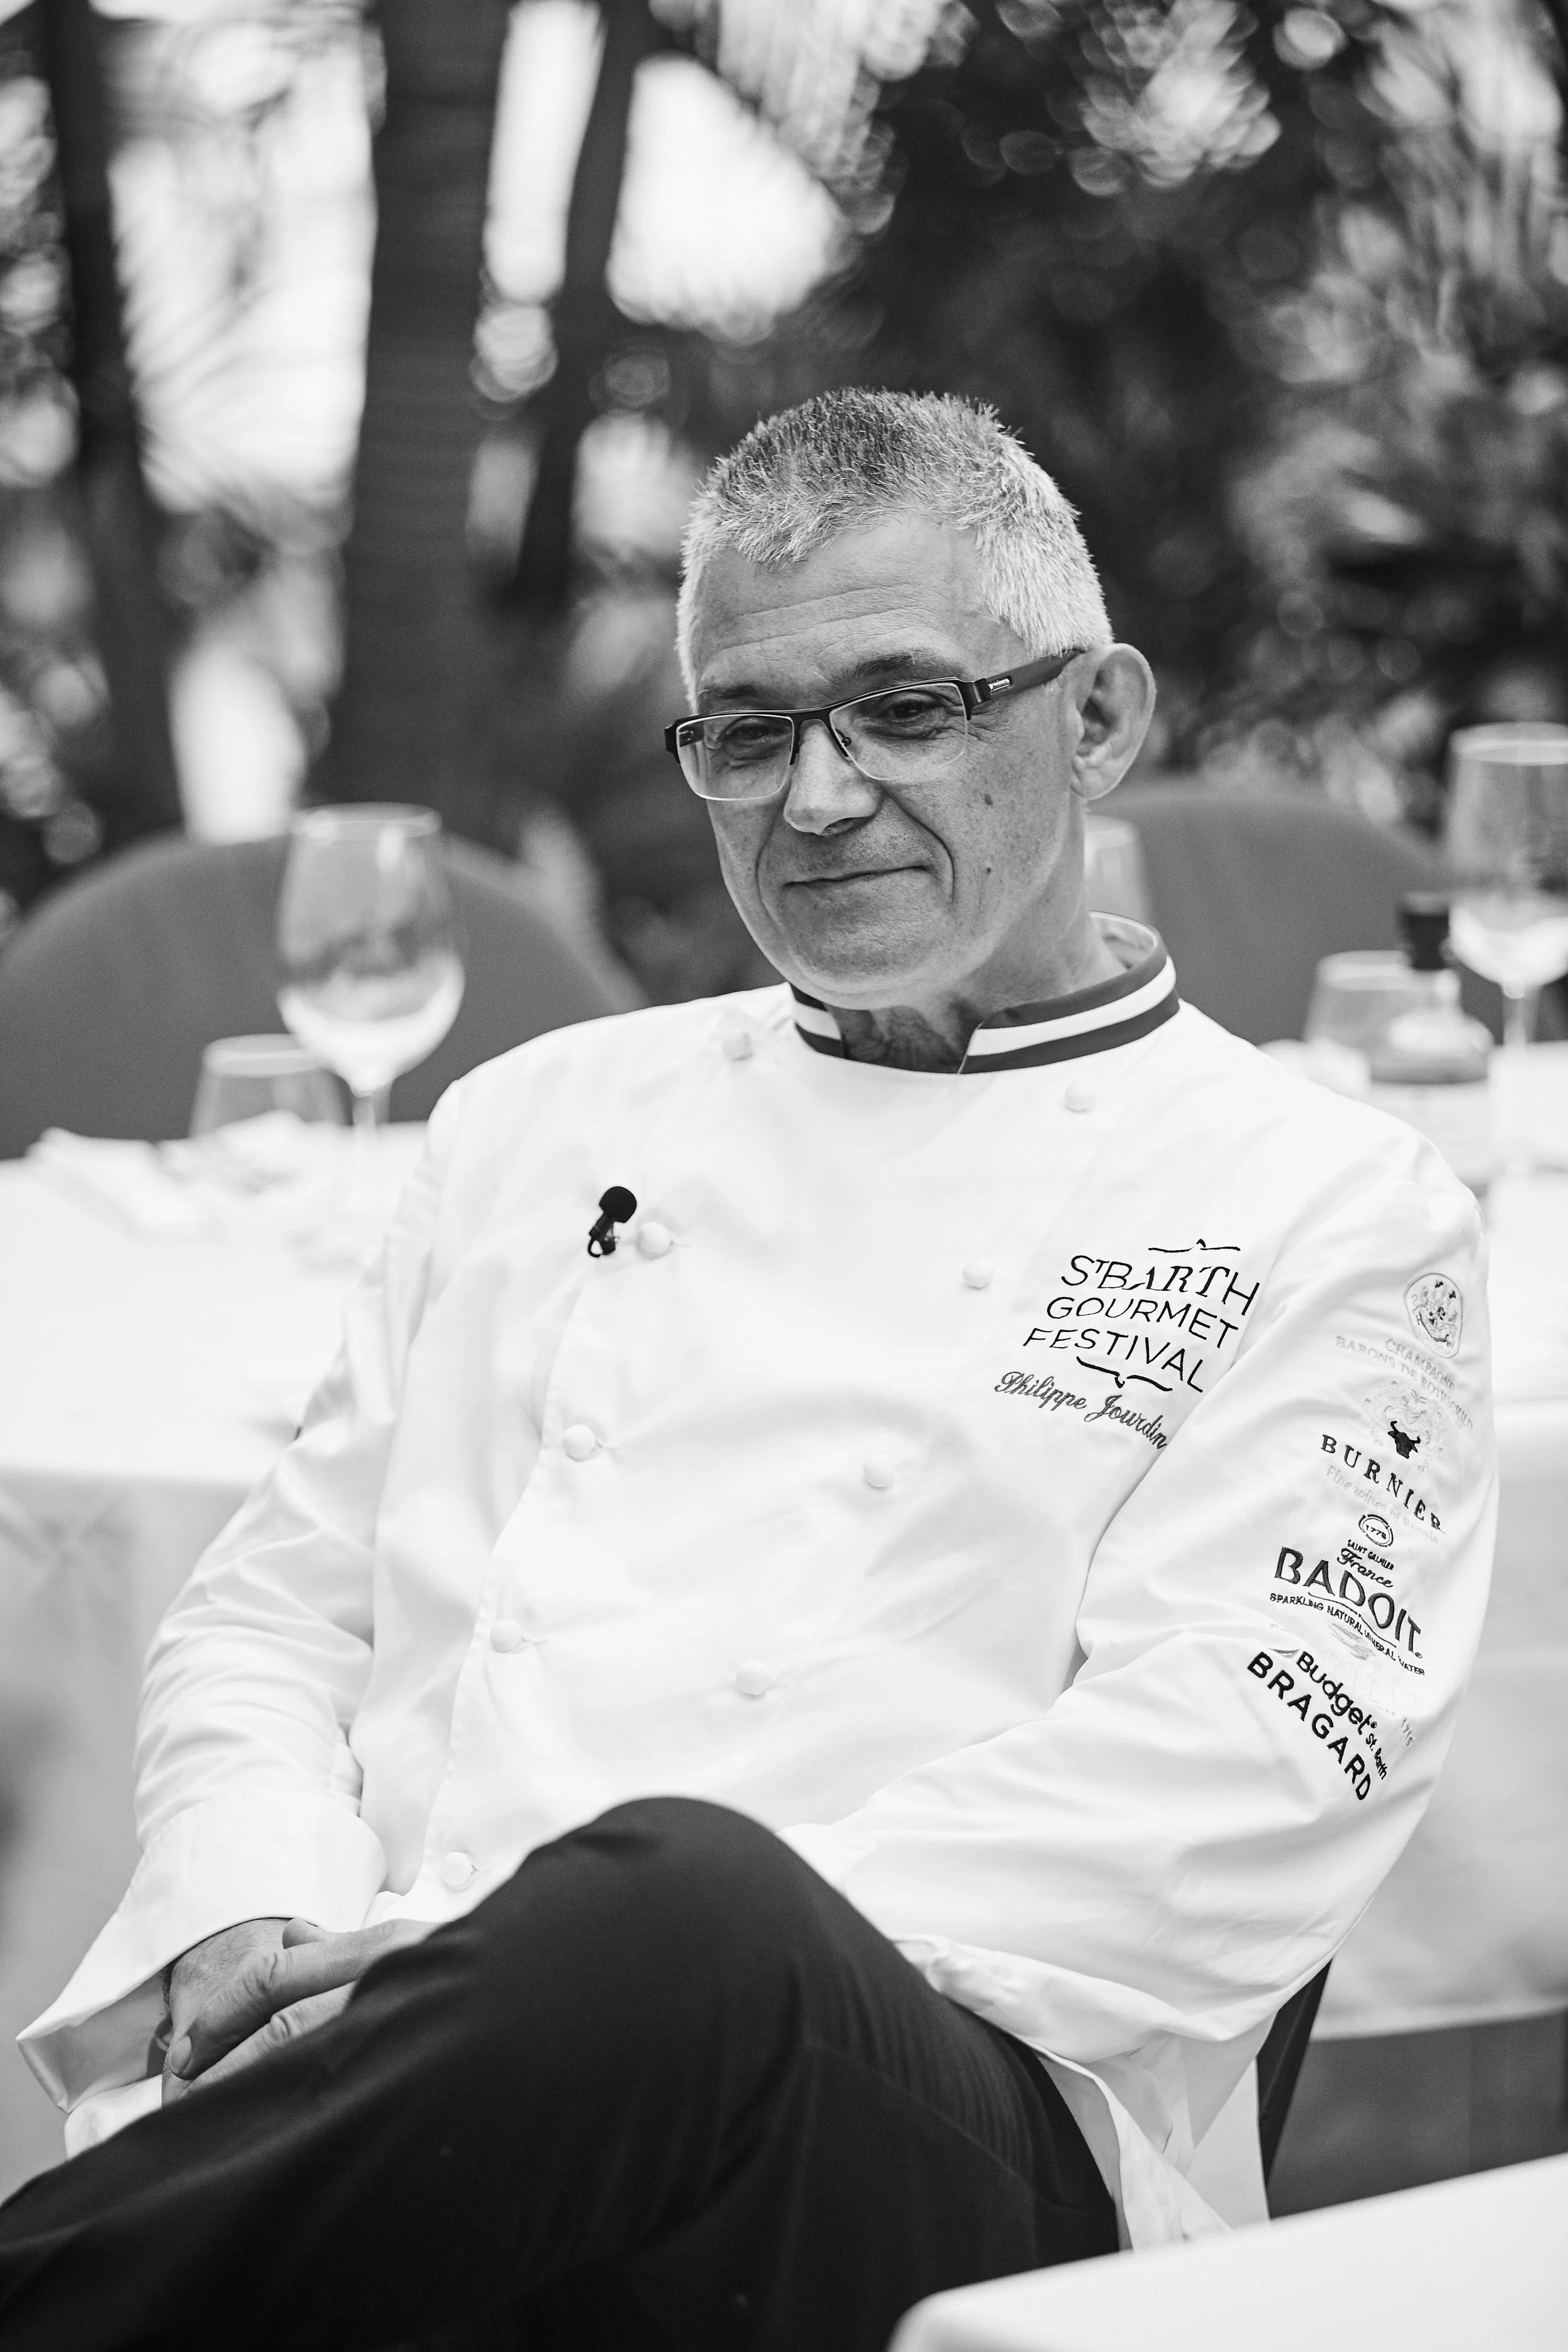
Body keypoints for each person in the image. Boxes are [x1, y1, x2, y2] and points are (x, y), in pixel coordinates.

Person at [1, 391, 1495, 2350]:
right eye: (750, 727)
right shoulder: (532, 1118)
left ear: (1100, 717)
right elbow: (273, 1613)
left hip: (940, 2140)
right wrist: (252, 1910)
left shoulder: (1329, 1204)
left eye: (906, 705)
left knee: (687, 1911)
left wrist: (503, 1962)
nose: (817, 796)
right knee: (634, 1942)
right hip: (406, 2068)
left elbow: (1227, 1788)